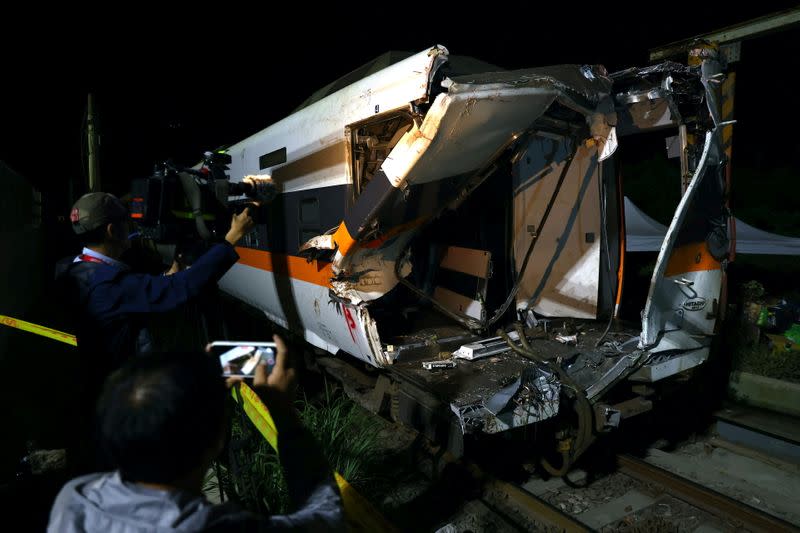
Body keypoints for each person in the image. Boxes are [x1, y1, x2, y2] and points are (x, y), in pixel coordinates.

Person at [47, 335, 345, 532]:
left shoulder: (74, 499)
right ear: (215, 441)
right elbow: (326, 516)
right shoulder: (211, 528)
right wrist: (283, 413)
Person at [54, 191, 254, 474]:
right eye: (126, 223)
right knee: (227, 363)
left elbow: (131, 297)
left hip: (103, 388)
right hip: (127, 393)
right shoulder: (108, 284)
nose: (131, 229)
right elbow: (179, 291)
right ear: (112, 230)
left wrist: (167, 277)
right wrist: (231, 238)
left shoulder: (73, 270)